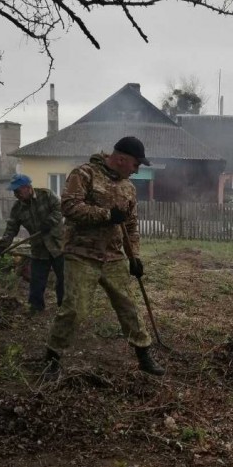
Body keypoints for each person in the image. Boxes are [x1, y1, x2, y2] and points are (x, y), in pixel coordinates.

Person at [43, 137, 164, 376]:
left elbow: (130, 225)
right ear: (121, 159)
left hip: (113, 256)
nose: (137, 170)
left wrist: (134, 257)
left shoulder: (128, 187)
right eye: (135, 164)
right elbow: (68, 207)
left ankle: (143, 353)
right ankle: (52, 357)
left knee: (128, 305)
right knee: (74, 309)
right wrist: (107, 215)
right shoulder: (84, 174)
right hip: (81, 254)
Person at [0, 174, 64, 313]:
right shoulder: (17, 208)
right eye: (14, 191)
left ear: (28, 187)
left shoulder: (47, 195)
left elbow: (60, 209)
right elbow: (11, 228)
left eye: (17, 190)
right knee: (36, 279)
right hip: (38, 247)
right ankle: (36, 307)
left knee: (63, 277)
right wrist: (2, 246)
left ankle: (64, 306)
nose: (15, 194)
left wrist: (50, 221)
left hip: (58, 244)